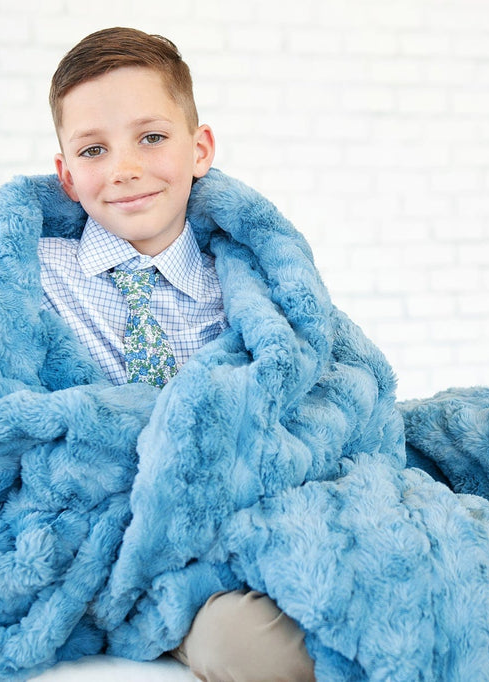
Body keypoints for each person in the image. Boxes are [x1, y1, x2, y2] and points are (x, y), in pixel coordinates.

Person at [43, 27, 316, 682]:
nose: (126, 168)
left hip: (255, 517)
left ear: (200, 149)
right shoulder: (34, 276)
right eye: (93, 149)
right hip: (128, 545)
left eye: (152, 137)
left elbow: (311, 387)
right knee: (250, 650)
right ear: (67, 176)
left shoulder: (248, 280)